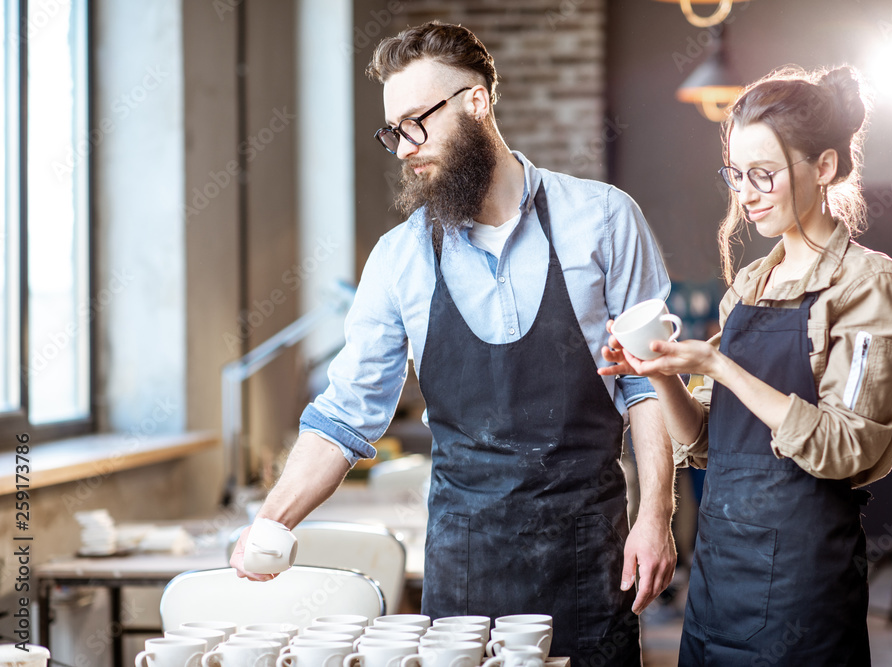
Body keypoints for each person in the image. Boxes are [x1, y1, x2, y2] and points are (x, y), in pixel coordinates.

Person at [230, 21, 678, 665]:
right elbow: (345, 415)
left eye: (417, 121)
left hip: (589, 558)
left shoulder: (604, 220)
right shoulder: (399, 257)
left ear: (476, 101)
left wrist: (655, 513)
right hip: (465, 568)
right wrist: (271, 522)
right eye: (394, 131)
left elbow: (646, 383)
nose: (405, 147)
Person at [600, 65, 892, 665]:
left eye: (763, 174)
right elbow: (709, 442)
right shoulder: (750, 285)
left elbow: (845, 447)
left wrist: (720, 366)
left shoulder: (869, 289)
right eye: (735, 173)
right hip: (718, 580)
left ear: (824, 167)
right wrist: (661, 372)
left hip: (802, 595)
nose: (745, 193)